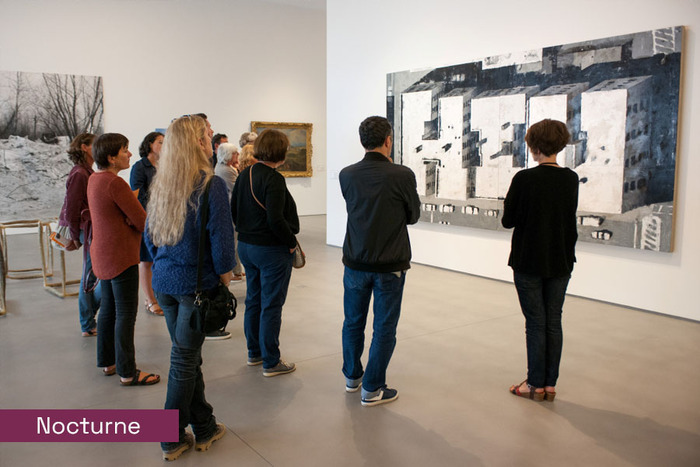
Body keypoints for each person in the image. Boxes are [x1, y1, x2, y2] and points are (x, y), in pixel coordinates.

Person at [145, 115, 233, 461]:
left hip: (165, 283)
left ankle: (206, 425)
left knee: (188, 357)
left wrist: (165, 264)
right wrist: (224, 278)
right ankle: (169, 436)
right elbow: (223, 245)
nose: (212, 142)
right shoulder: (209, 185)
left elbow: (149, 239)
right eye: (208, 136)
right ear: (197, 143)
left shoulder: (162, 183)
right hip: (194, 288)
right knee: (183, 360)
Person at [339, 116, 421, 407]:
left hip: (356, 261)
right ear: (388, 140)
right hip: (390, 265)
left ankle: (352, 378)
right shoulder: (402, 175)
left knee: (353, 322)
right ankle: (372, 388)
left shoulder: (347, 174)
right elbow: (412, 216)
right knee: (384, 327)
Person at [502, 118, 579, 402]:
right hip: (560, 260)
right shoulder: (570, 178)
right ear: (560, 144)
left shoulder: (524, 179)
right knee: (553, 321)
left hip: (528, 261)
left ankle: (534, 383)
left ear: (534, 147)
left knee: (535, 322)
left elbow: (508, 221)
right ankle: (549, 384)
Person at [87, 133, 160, 387]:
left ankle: (108, 363)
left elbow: (124, 217)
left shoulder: (95, 180)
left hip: (103, 254)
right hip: (121, 256)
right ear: (111, 157)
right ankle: (128, 372)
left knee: (108, 309)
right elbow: (142, 220)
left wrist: (127, 218)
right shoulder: (115, 184)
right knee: (126, 314)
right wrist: (130, 219)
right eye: (124, 150)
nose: (129, 154)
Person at [231, 129, 299, 377]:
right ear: (280, 152)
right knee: (271, 304)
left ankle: (255, 353)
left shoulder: (244, 174)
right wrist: (291, 242)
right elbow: (276, 218)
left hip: (247, 247)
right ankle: (271, 361)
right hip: (270, 250)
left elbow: (234, 210)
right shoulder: (273, 179)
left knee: (254, 300)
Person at [58, 133, 101, 336]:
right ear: (84, 147)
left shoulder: (86, 172)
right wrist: (75, 236)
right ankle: (87, 323)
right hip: (86, 229)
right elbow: (72, 208)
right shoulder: (80, 174)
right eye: (95, 145)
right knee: (90, 277)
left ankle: (89, 320)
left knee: (94, 275)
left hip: (89, 228)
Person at [130, 131, 164, 316]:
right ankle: (150, 300)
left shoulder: (164, 166)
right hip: (147, 219)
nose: (164, 146)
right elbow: (135, 196)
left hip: (162, 220)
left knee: (158, 259)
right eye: (160, 142)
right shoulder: (140, 167)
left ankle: (155, 296)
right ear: (150, 145)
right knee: (147, 261)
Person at [215, 143, 245, 282]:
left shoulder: (226, 168)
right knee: (233, 241)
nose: (238, 155)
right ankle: (235, 271)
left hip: (231, 209)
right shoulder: (225, 170)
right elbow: (238, 189)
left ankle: (237, 270)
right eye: (235, 153)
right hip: (230, 210)